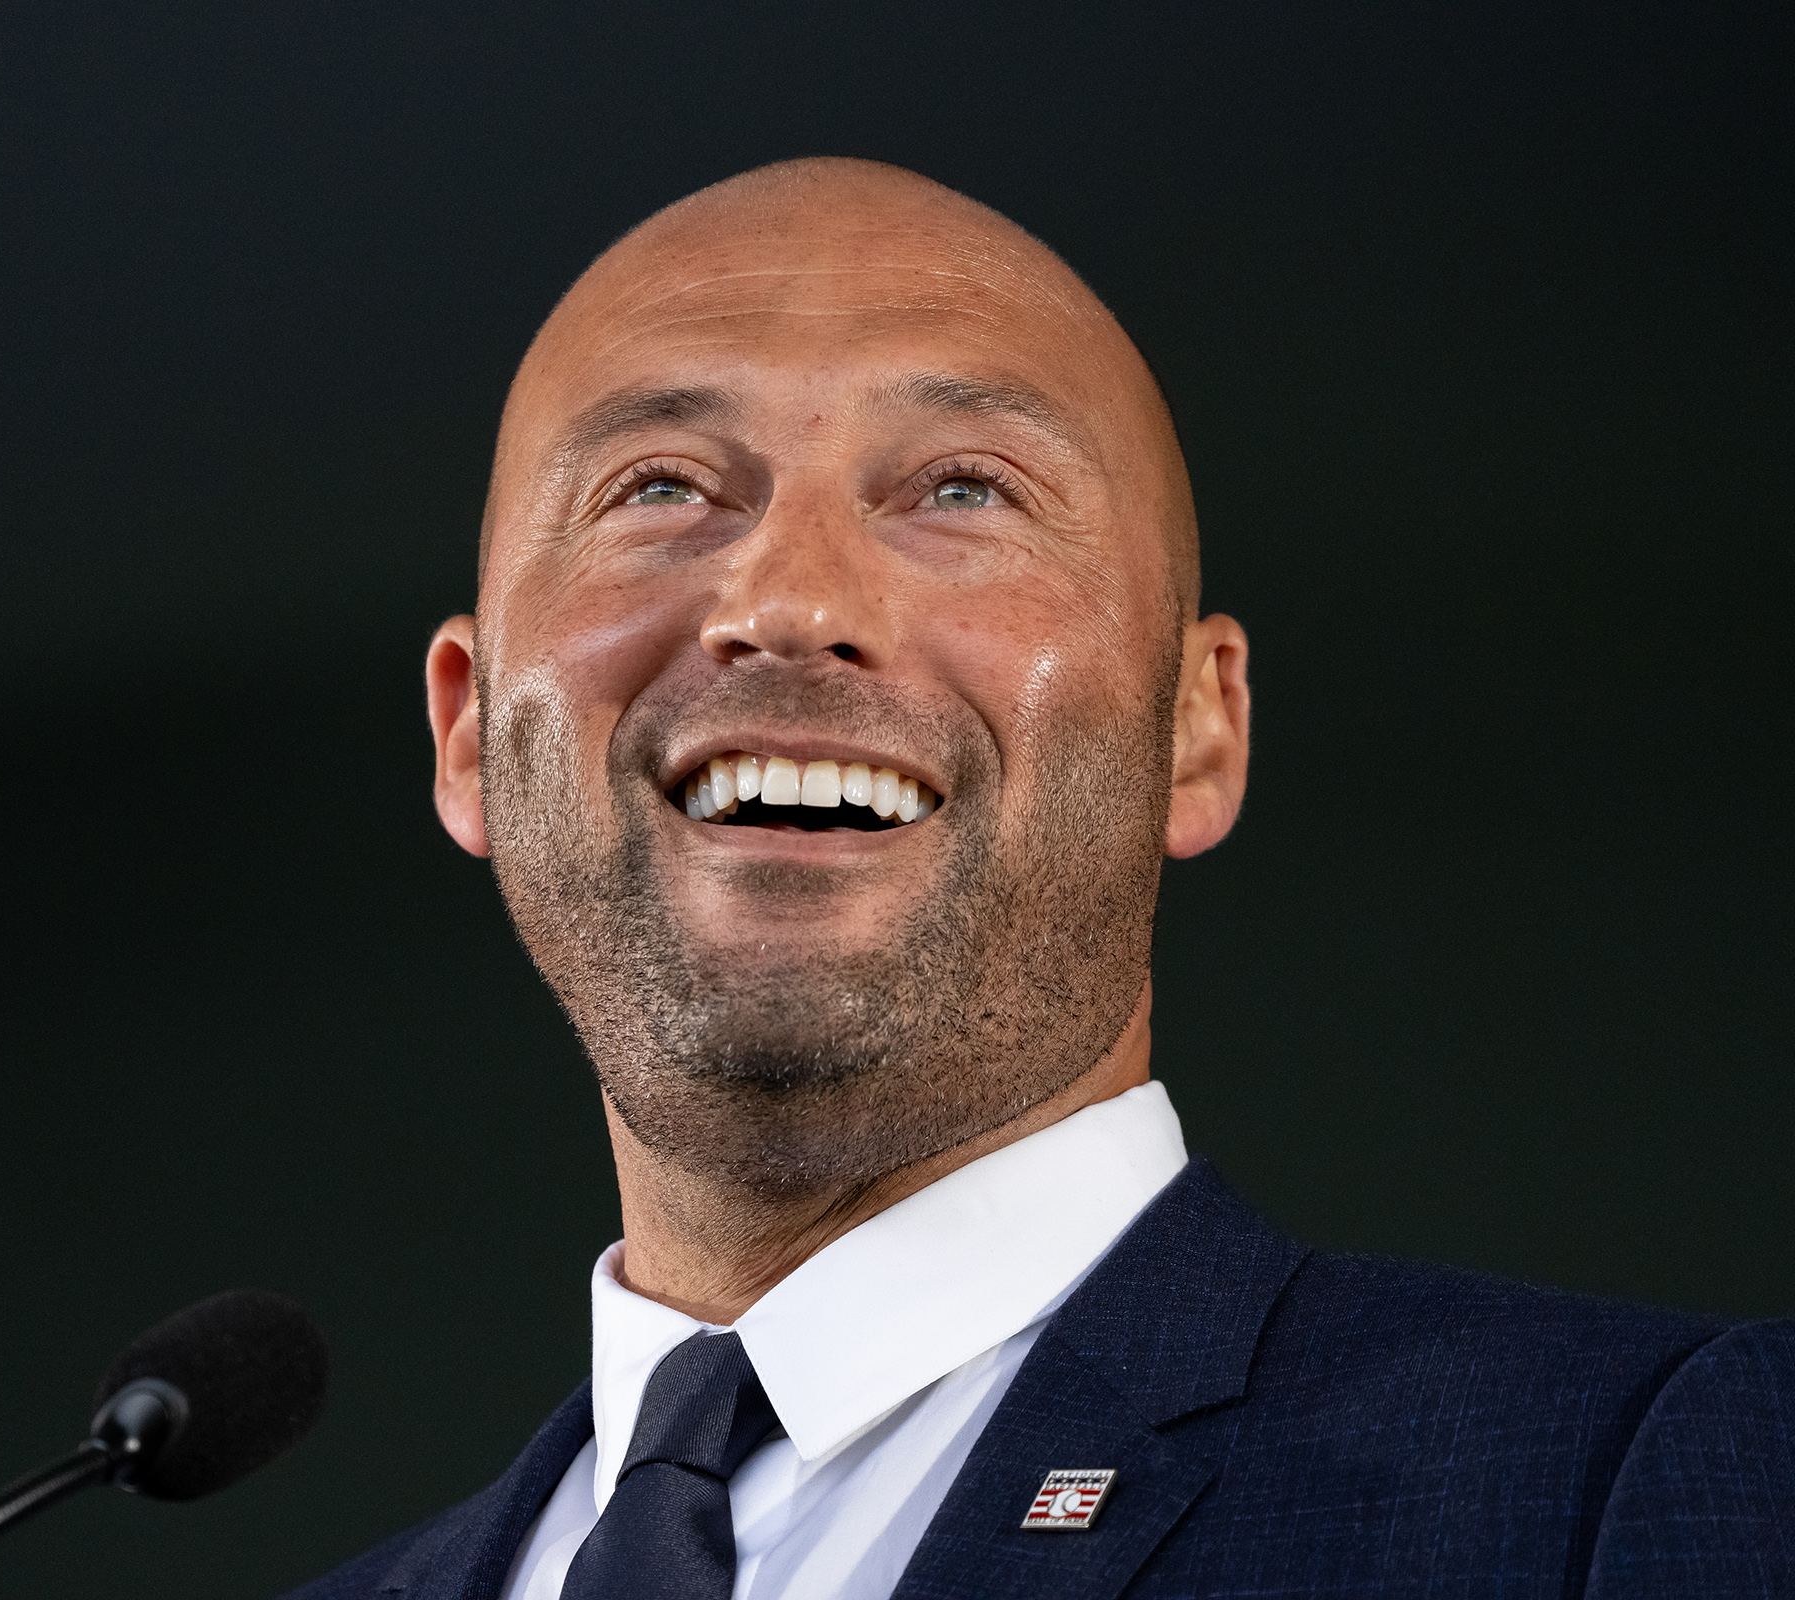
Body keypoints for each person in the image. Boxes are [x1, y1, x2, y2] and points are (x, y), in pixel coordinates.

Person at [288, 158, 1795, 1599]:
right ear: (470, 732)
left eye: (963, 491)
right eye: (663, 487)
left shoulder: (1623, 1476)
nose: (793, 600)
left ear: (1196, 730)